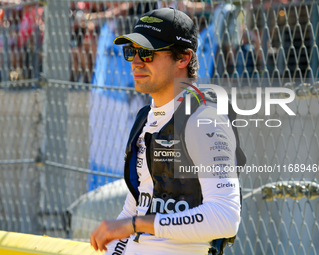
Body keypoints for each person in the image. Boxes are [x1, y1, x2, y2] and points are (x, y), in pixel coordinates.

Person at [90, 7, 246, 255]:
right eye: (132, 52)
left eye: (148, 53)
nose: (136, 62)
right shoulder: (146, 118)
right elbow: (135, 209)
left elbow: (226, 217)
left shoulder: (205, 119)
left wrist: (136, 225)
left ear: (183, 58)